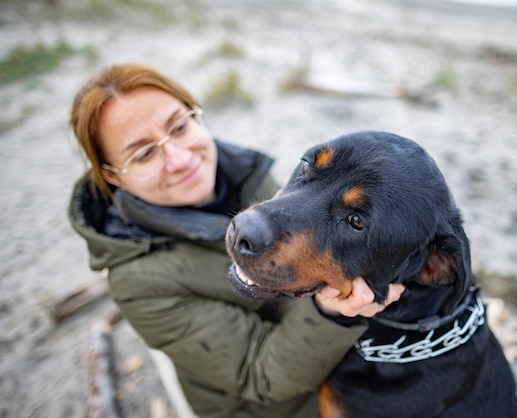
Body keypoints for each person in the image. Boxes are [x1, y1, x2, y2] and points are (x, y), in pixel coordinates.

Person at [68, 63, 405, 418]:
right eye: (144, 154)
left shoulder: (252, 176)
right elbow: (258, 374)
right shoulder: (139, 282)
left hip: (337, 361)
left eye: (180, 127)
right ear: (113, 177)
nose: (180, 159)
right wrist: (330, 312)